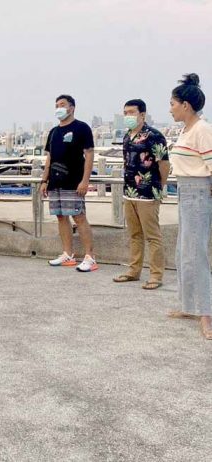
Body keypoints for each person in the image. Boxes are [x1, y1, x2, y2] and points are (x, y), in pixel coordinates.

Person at [167, 73, 212, 340]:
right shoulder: (186, 130)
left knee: (196, 254)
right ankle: (189, 305)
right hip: (185, 191)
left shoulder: (202, 130)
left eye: (173, 104)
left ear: (186, 105)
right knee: (183, 252)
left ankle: (206, 314)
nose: (170, 109)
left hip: (198, 193)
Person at [113, 99, 170, 290]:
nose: (127, 116)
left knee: (152, 236)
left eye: (131, 112)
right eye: (125, 113)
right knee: (134, 234)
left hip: (148, 193)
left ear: (142, 115)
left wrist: (160, 187)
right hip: (129, 192)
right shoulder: (127, 136)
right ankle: (133, 270)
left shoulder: (154, 136)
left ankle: (156, 275)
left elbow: (164, 164)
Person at [40, 95, 97, 272]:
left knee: (79, 217)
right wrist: (44, 180)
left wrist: (85, 181)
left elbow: (89, 154)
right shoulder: (53, 132)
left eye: (62, 105)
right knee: (60, 216)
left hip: (74, 181)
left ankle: (90, 257)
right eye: (56, 105)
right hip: (55, 181)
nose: (59, 108)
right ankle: (67, 254)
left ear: (71, 108)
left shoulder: (82, 128)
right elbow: (49, 157)